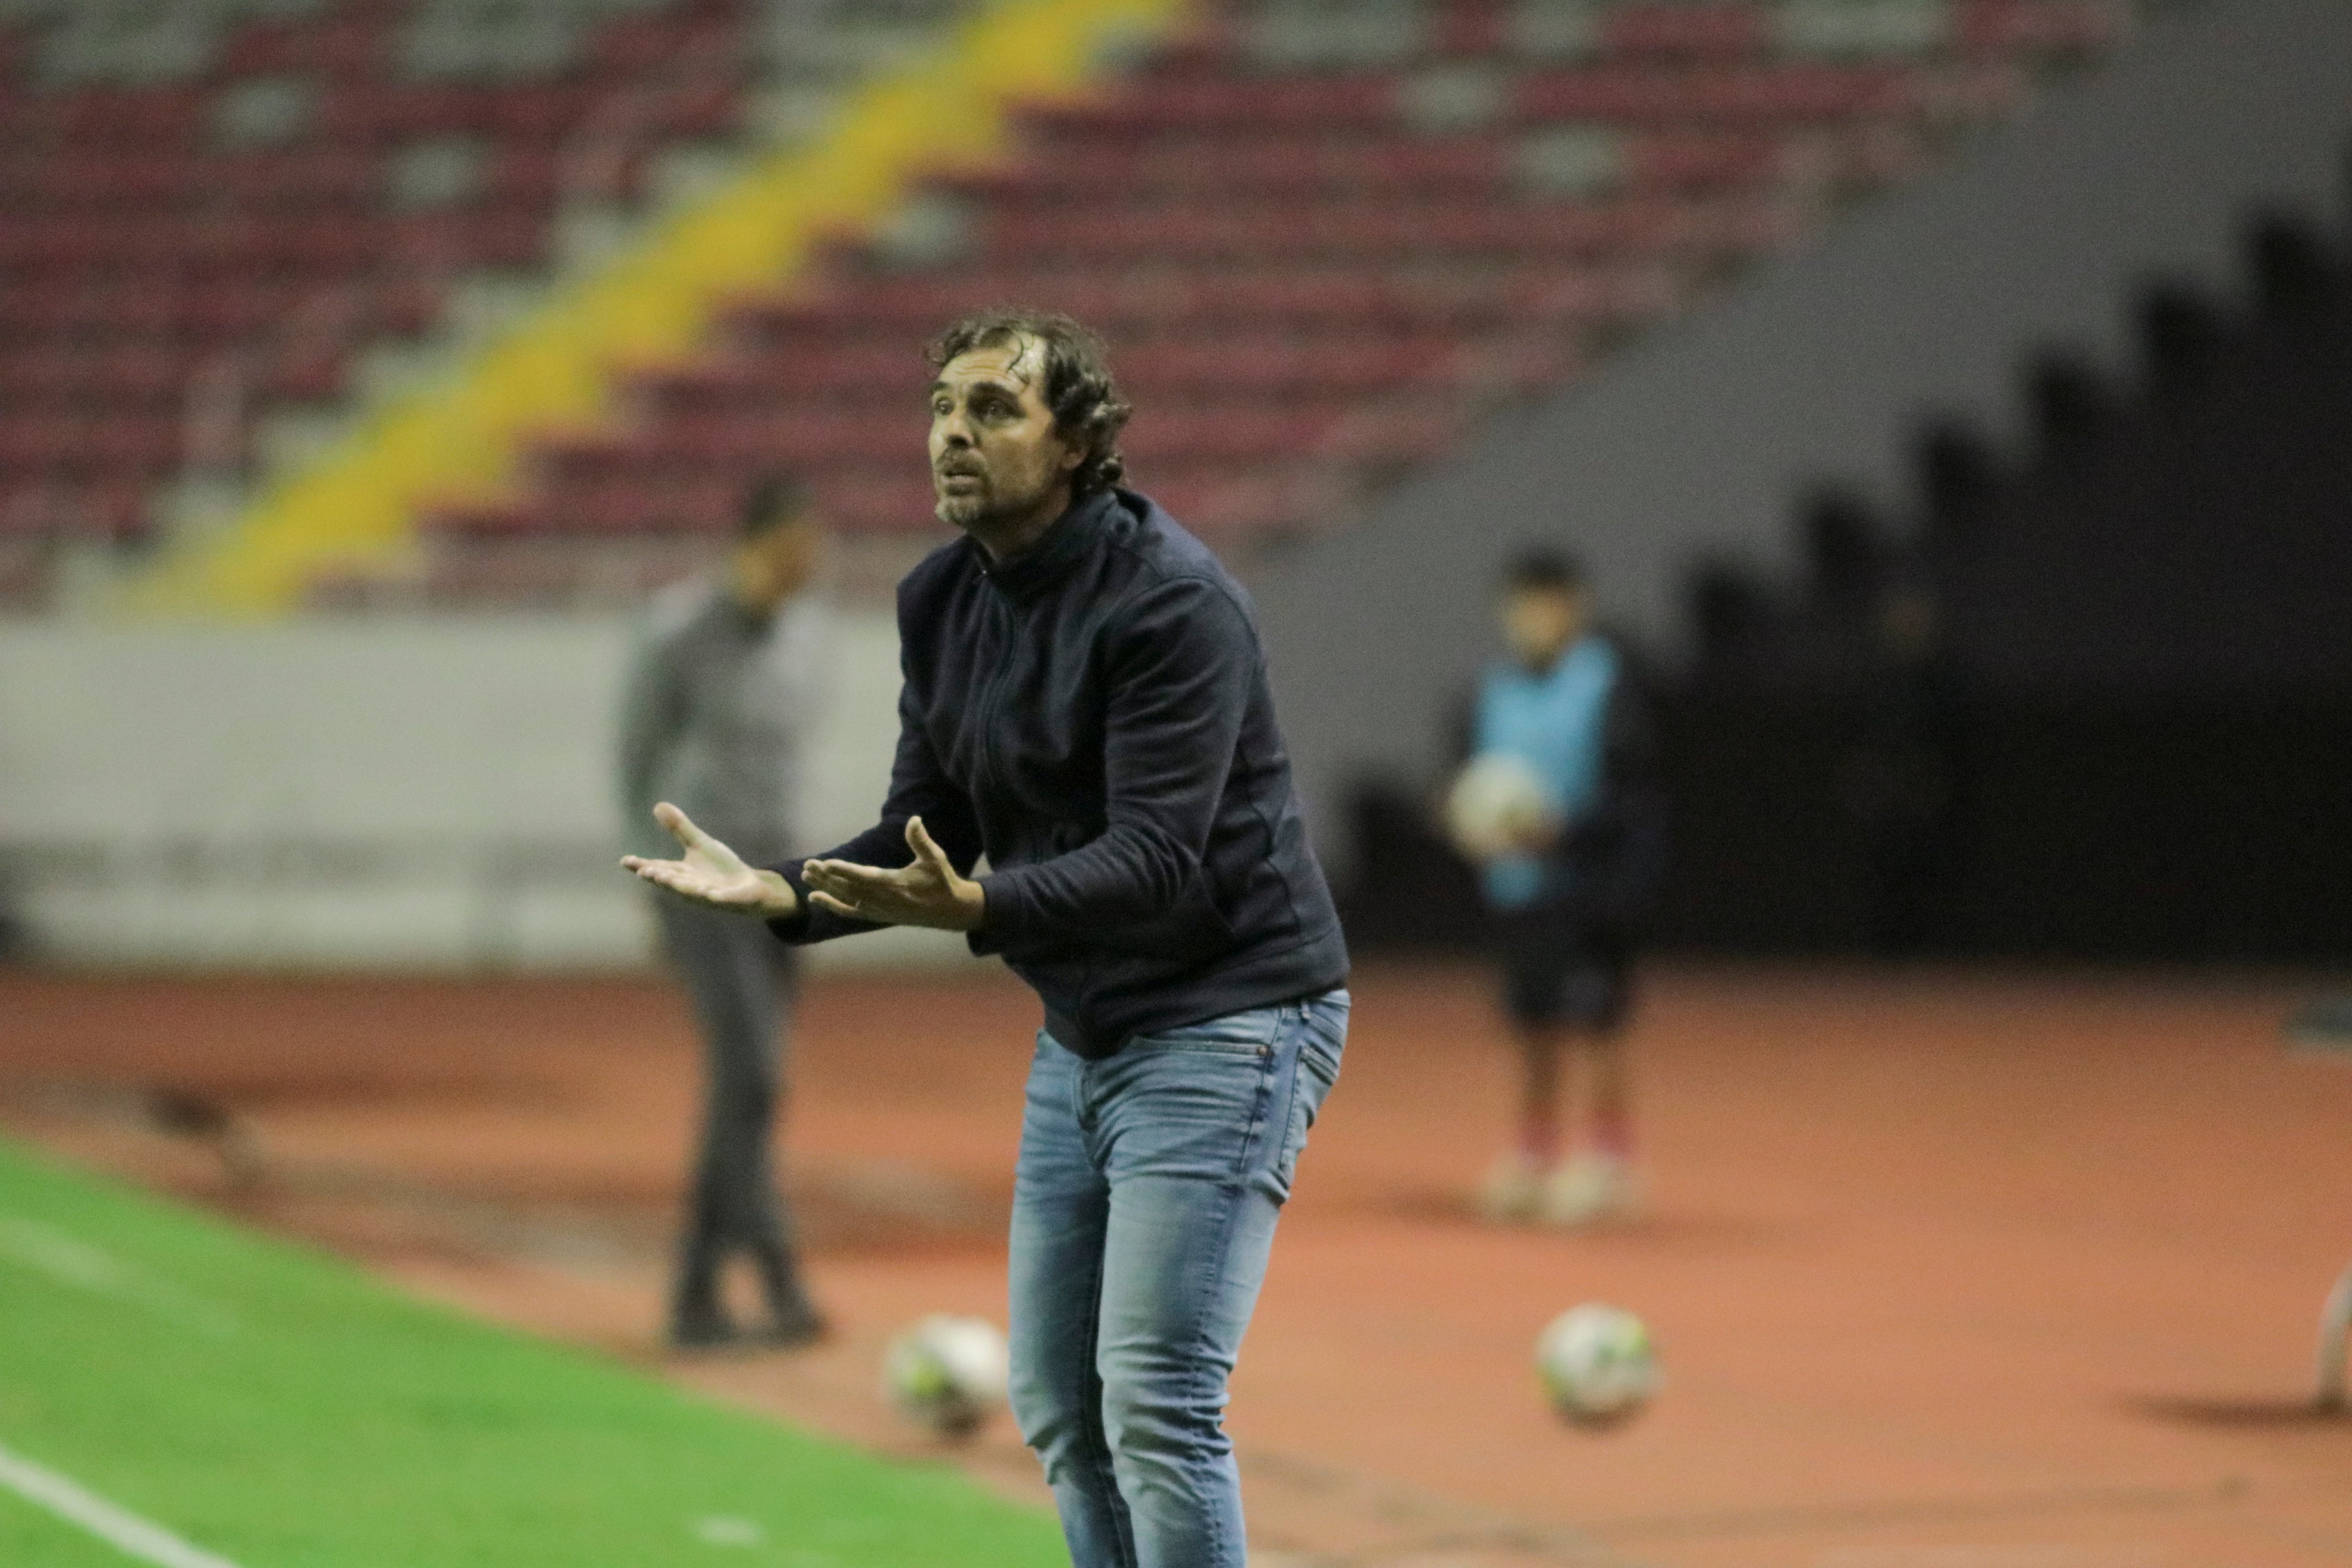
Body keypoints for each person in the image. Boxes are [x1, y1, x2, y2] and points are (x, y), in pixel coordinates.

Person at [622, 310, 1349, 1567]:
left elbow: (1157, 858)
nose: (954, 432)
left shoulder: (1174, 603)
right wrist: (782, 892)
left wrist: (980, 907)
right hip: (1085, 1026)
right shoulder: (942, 597)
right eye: (943, 408)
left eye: (995, 408)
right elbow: (926, 823)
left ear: (1076, 443)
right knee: (1062, 1406)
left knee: (1157, 1401)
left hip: (1228, 1015)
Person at [617, 472, 831, 1350]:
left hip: (782, 882)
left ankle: (712, 1292)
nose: (806, 567)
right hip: (705, 886)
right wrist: (656, 883)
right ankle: (762, 1277)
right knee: (752, 1076)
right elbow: (635, 763)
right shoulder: (676, 631)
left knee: (748, 1089)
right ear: (754, 543)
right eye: (793, 550)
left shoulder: (809, 635)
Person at [1451, 549, 1665, 1227]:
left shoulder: (1609, 685)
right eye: (1524, 606)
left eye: (1549, 604)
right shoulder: (1493, 690)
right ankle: (1535, 1155)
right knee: (1533, 1024)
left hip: (1594, 887)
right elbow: (1470, 778)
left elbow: (1636, 793)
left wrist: (1561, 832)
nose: (1535, 619)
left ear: (1575, 607)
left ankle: (1610, 1161)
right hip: (1522, 888)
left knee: (1599, 1025)